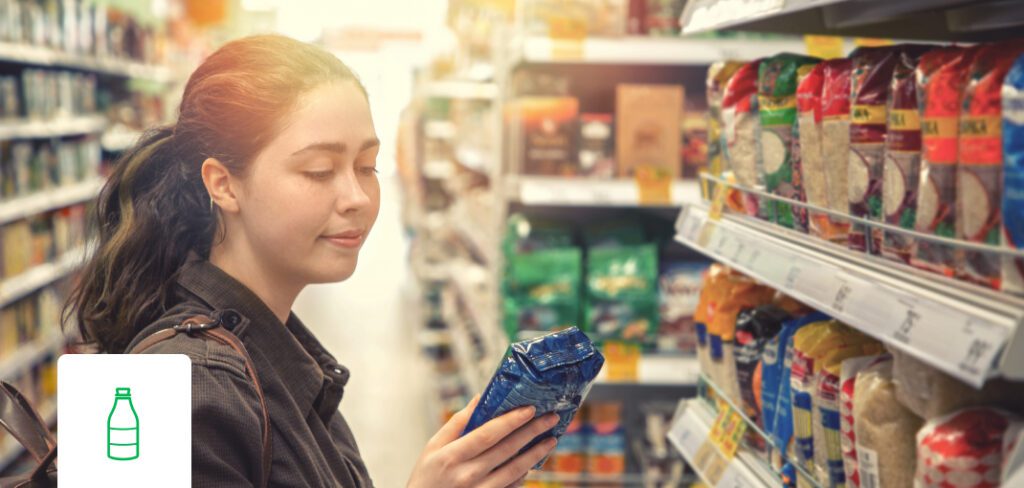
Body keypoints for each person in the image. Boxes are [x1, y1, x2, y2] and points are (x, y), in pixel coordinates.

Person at [65, 34, 557, 488]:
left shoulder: (268, 349)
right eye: (319, 170)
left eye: (367, 166)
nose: (357, 196)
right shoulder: (188, 385)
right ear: (222, 184)